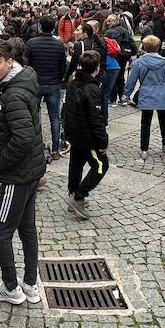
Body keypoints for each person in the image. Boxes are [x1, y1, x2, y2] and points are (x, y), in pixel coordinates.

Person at [0, 39, 46, 306]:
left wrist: (3, 166)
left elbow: (23, 138)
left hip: (18, 175)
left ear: (10, 62)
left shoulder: (13, 94)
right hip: (31, 170)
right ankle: (30, 284)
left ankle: (11, 288)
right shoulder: (21, 82)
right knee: (27, 228)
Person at [63, 50, 108, 218]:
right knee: (101, 165)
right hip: (88, 137)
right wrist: (103, 141)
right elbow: (96, 119)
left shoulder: (73, 83)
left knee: (76, 163)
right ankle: (79, 195)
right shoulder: (92, 89)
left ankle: (73, 193)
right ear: (97, 68)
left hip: (74, 133)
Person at [124, 35, 165, 160]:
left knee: (145, 123)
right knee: (163, 120)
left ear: (144, 47)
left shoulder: (139, 62)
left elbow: (131, 80)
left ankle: (144, 149)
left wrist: (126, 94)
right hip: (162, 94)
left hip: (146, 93)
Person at [25, 16, 68, 160]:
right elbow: (63, 67)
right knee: (54, 116)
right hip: (53, 83)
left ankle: (35, 147)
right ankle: (55, 150)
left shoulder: (31, 43)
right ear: (54, 28)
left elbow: (27, 64)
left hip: (36, 83)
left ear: (39, 27)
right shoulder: (59, 45)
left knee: (34, 116)